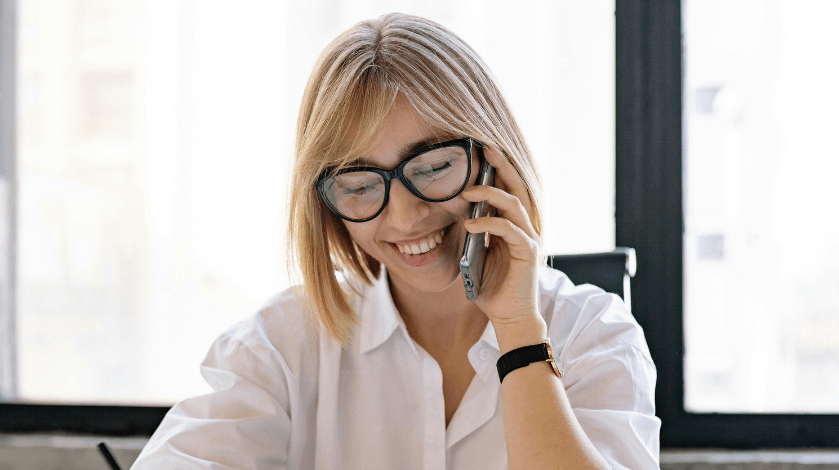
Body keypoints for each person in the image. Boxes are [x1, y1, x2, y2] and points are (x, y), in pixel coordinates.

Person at [131, 12, 660, 470]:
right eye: (359, 185)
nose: (406, 215)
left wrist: (519, 332)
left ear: (493, 159)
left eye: (433, 167)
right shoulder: (281, 344)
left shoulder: (594, 336)